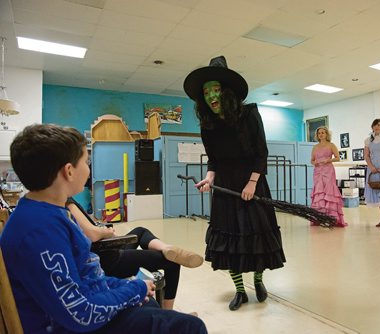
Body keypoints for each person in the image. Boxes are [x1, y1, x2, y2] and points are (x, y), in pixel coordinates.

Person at [0, 124, 207, 333]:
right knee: (192, 327)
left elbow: (85, 279)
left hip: (81, 308)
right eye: (86, 162)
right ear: (69, 171)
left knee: (149, 303)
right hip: (71, 326)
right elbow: (80, 313)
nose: (89, 169)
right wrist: (134, 288)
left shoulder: (44, 213)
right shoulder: (39, 230)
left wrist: (129, 288)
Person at [183, 56, 286, 311]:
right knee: (229, 240)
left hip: (252, 181)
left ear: (226, 92)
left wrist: (252, 183)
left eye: (215, 89)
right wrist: (209, 177)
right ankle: (240, 290)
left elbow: (261, 152)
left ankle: (259, 281)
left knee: (255, 236)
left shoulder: (249, 114)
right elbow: (214, 159)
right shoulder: (207, 125)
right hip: (226, 188)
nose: (210, 96)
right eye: (206, 92)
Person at [66, 197, 203, 311]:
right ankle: (169, 314)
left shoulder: (58, 206)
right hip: (107, 259)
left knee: (139, 231)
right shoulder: (68, 203)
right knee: (172, 263)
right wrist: (106, 232)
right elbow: (92, 234)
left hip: (103, 253)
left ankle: (167, 248)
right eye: (84, 164)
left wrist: (101, 231)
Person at [310, 126, 347, 227]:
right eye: (319, 133)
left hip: (328, 170)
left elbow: (338, 158)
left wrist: (328, 160)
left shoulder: (331, 145)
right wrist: (315, 163)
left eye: (323, 133)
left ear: (326, 134)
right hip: (318, 171)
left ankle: (332, 217)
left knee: (329, 191)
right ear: (317, 135)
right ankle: (320, 217)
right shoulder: (315, 147)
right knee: (319, 192)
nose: (321, 134)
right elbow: (311, 160)